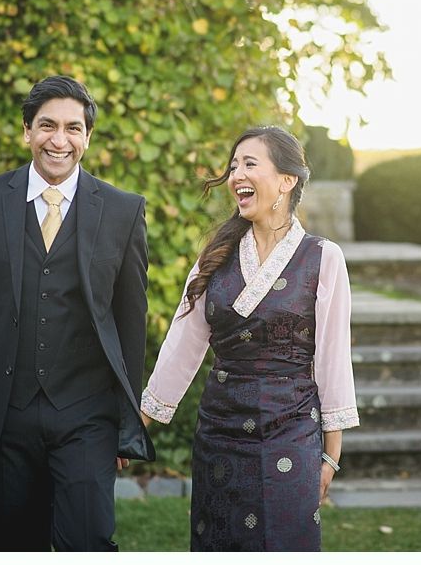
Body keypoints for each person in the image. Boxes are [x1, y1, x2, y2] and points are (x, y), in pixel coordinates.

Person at [0, 75, 154, 551]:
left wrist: (126, 423)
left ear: (87, 137)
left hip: (86, 413)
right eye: (47, 126)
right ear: (27, 131)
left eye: (72, 128)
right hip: (3, 410)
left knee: (88, 542)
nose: (58, 140)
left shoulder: (124, 212)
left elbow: (130, 324)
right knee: (10, 547)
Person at [140, 125, 359, 551]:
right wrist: (137, 426)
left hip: (292, 433)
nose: (236, 173)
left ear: (286, 180)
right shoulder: (215, 257)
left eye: (250, 164)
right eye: (234, 165)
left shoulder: (323, 258)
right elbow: (181, 349)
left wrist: (330, 455)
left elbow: (333, 359)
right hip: (219, 433)